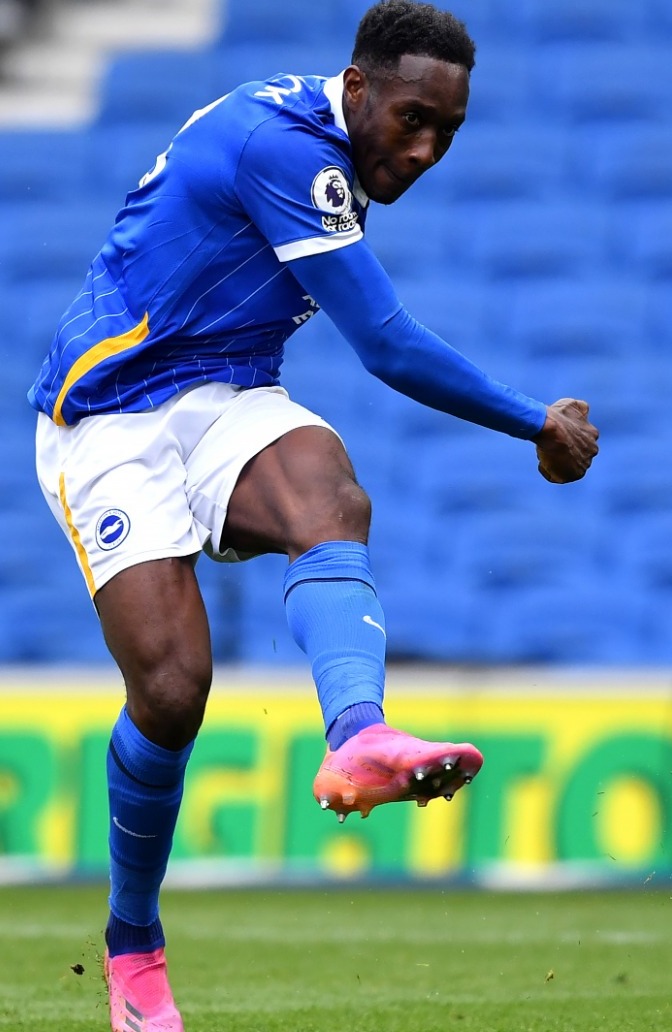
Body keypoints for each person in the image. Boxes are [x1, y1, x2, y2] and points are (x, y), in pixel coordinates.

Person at [26, 3, 599, 1029]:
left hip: (226, 391)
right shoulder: (284, 148)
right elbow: (386, 344)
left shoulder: (325, 139)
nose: (425, 151)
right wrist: (536, 423)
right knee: (173, 690)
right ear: (358, 88)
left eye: (448, 132)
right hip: (108, 414)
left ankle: (359, 736)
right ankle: (134, 947)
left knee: (330, 492)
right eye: (414, 120)